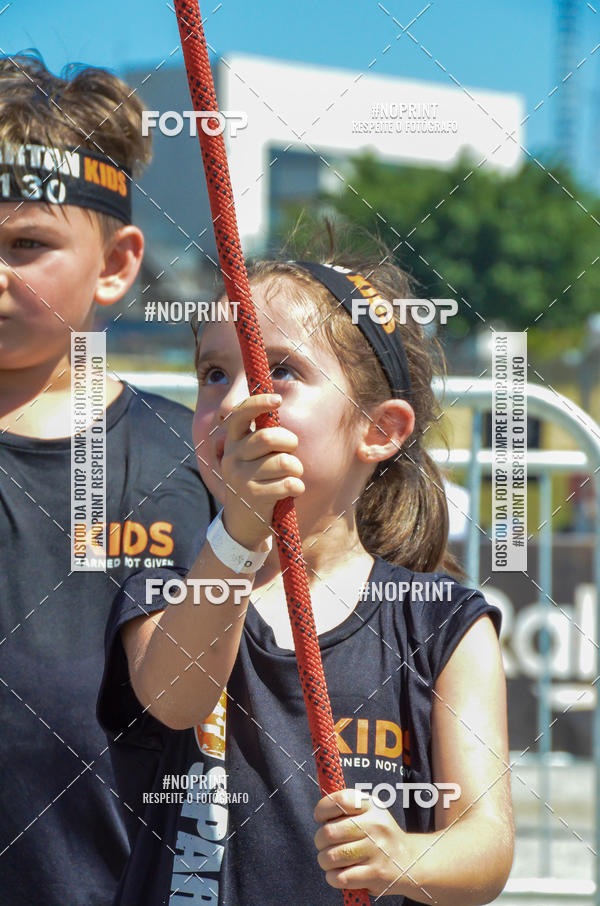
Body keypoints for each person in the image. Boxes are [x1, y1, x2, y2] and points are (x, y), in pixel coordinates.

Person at [99, 243, 514, 905]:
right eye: (213, 373)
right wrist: (240, 533)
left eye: (280, 370)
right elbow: (175, 698)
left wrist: (403, 856)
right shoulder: (168, 588)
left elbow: (486, 846)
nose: (235, 401)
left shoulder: (444, 624)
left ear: (378, 430)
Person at [0, 53, 215, 904]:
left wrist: (239, 537)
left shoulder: (166, 454)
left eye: (27, 244)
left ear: (117, 265)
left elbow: (177, 693)